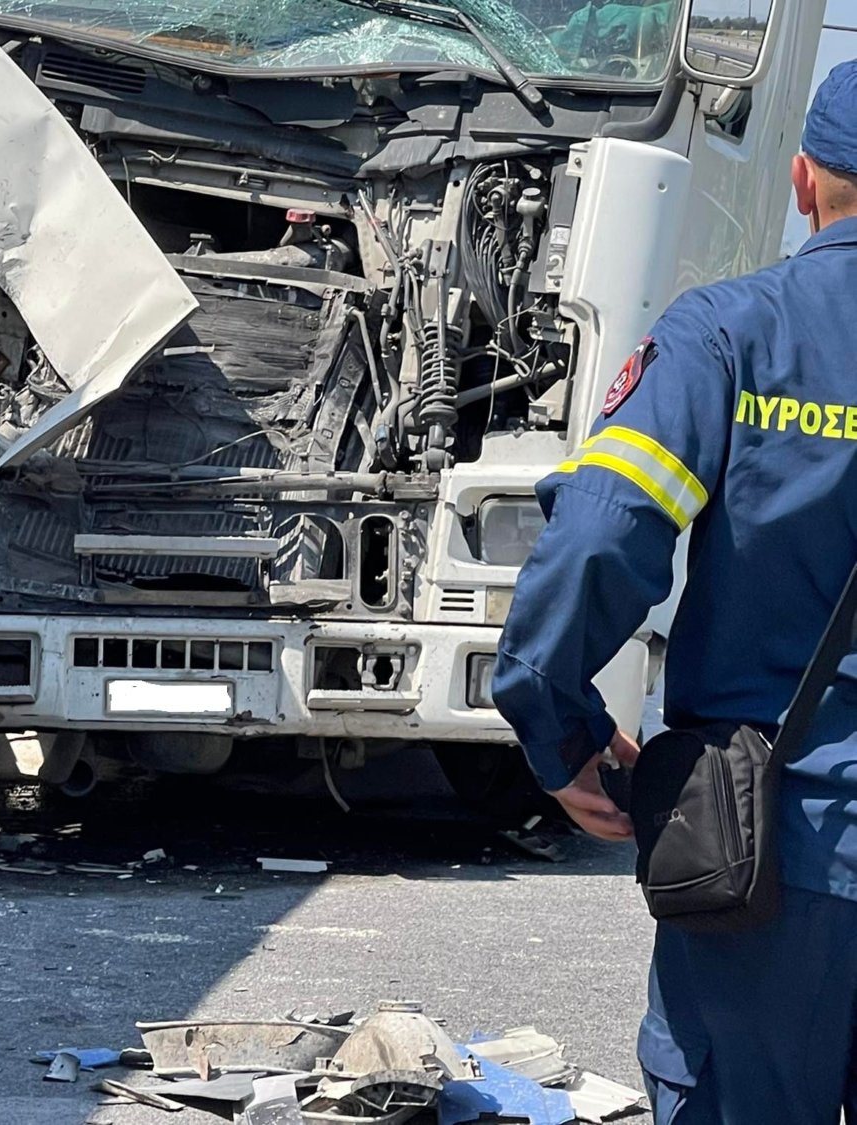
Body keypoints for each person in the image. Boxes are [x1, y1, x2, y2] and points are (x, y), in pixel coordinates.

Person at [492, 62, 857, 1123]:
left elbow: (602, 531)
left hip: (771, 857)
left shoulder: (731, 335)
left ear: (801, 183)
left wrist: (557, 727)